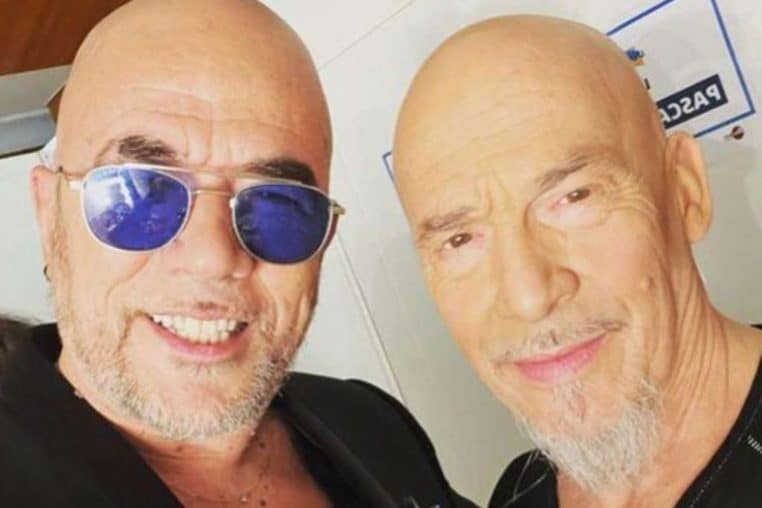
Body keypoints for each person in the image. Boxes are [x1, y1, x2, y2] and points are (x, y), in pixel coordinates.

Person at [0, 1, 476, 506]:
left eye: (278, 204)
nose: (213, 257)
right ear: (49, 213)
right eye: (141, 193)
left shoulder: (372, 424)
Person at [393, 14, 762, 508]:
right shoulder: (517, 492)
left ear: (684, 191)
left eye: (574, 197)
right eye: (459, 240)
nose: (528, 296)